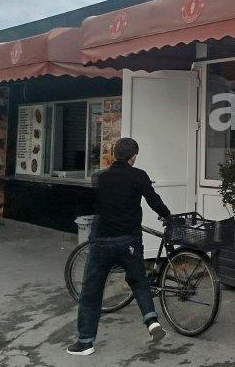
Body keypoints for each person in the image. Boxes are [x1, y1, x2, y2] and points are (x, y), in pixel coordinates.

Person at [67, 137, 172, 355]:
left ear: (114, 155)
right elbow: (154, 201)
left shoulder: (99, 177)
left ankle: (85, 342)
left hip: (102, 241)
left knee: (92, 290)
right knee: (139, 281)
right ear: (133, 156)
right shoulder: (139, 176)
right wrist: (168, 216)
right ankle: (152, 321)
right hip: (129, 240)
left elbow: (88, 205)